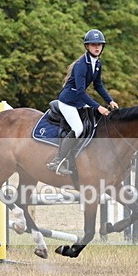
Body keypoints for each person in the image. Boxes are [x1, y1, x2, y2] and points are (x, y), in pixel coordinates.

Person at [47, 29, 119, 175]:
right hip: (67, 101)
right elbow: (80, 91)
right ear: (87, 46)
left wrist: (110, 101)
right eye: (93, 44)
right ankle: (58, 160)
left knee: (94, 124)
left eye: (99, 44)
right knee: (78, 128)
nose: (97, 47)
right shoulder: (81, 65)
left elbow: (98, 85)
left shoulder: (97, 63)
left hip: (79, 101)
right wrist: (98, 107)